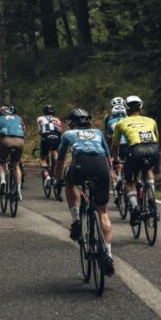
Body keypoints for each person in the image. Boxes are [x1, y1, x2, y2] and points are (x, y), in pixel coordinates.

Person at [54, 108, 116, 276]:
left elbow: (60, 161)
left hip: (81, 164)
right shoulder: (98, 132)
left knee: (70, 181)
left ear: (72, 123)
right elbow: (108, 157)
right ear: (89, 122)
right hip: (101, 166)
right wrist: (111, 172)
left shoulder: (68, 134)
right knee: (102, 211)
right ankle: (108, 255)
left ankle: (76, 220)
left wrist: (58, 179)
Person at [111, 95, 160, 226]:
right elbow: (157, 138)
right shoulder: (151, 120)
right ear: (141, 107)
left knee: (129, 180)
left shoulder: (121, 123)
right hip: (154, 149)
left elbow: (115, 145)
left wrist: (115, 159)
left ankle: (135, 207)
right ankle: (151, 197)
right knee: (148, 169)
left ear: (126, 109)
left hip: (136, 150)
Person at [0, 105, 26, 199]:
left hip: (6, 141)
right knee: (16, 165)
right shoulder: (18, 118)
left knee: (2, 162)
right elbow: (24, 131)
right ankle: (18, 191)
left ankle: (3, 180)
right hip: (20, 140)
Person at [36, 105, 63, 185]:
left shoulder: (40, 118)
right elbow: (60, 131)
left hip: (46, 136)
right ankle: (57, 165)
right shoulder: (57, 119)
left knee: (43, 159)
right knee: (54, 151)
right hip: (57, 137)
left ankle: (47, 176)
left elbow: (40, 130)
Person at [104, 104, 128, 191]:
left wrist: (110, 152)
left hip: (118, 145)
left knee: (113, 163)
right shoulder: (129, 119)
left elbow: (109, 137)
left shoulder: (110, 121)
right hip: (131, 144)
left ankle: (116, 182)